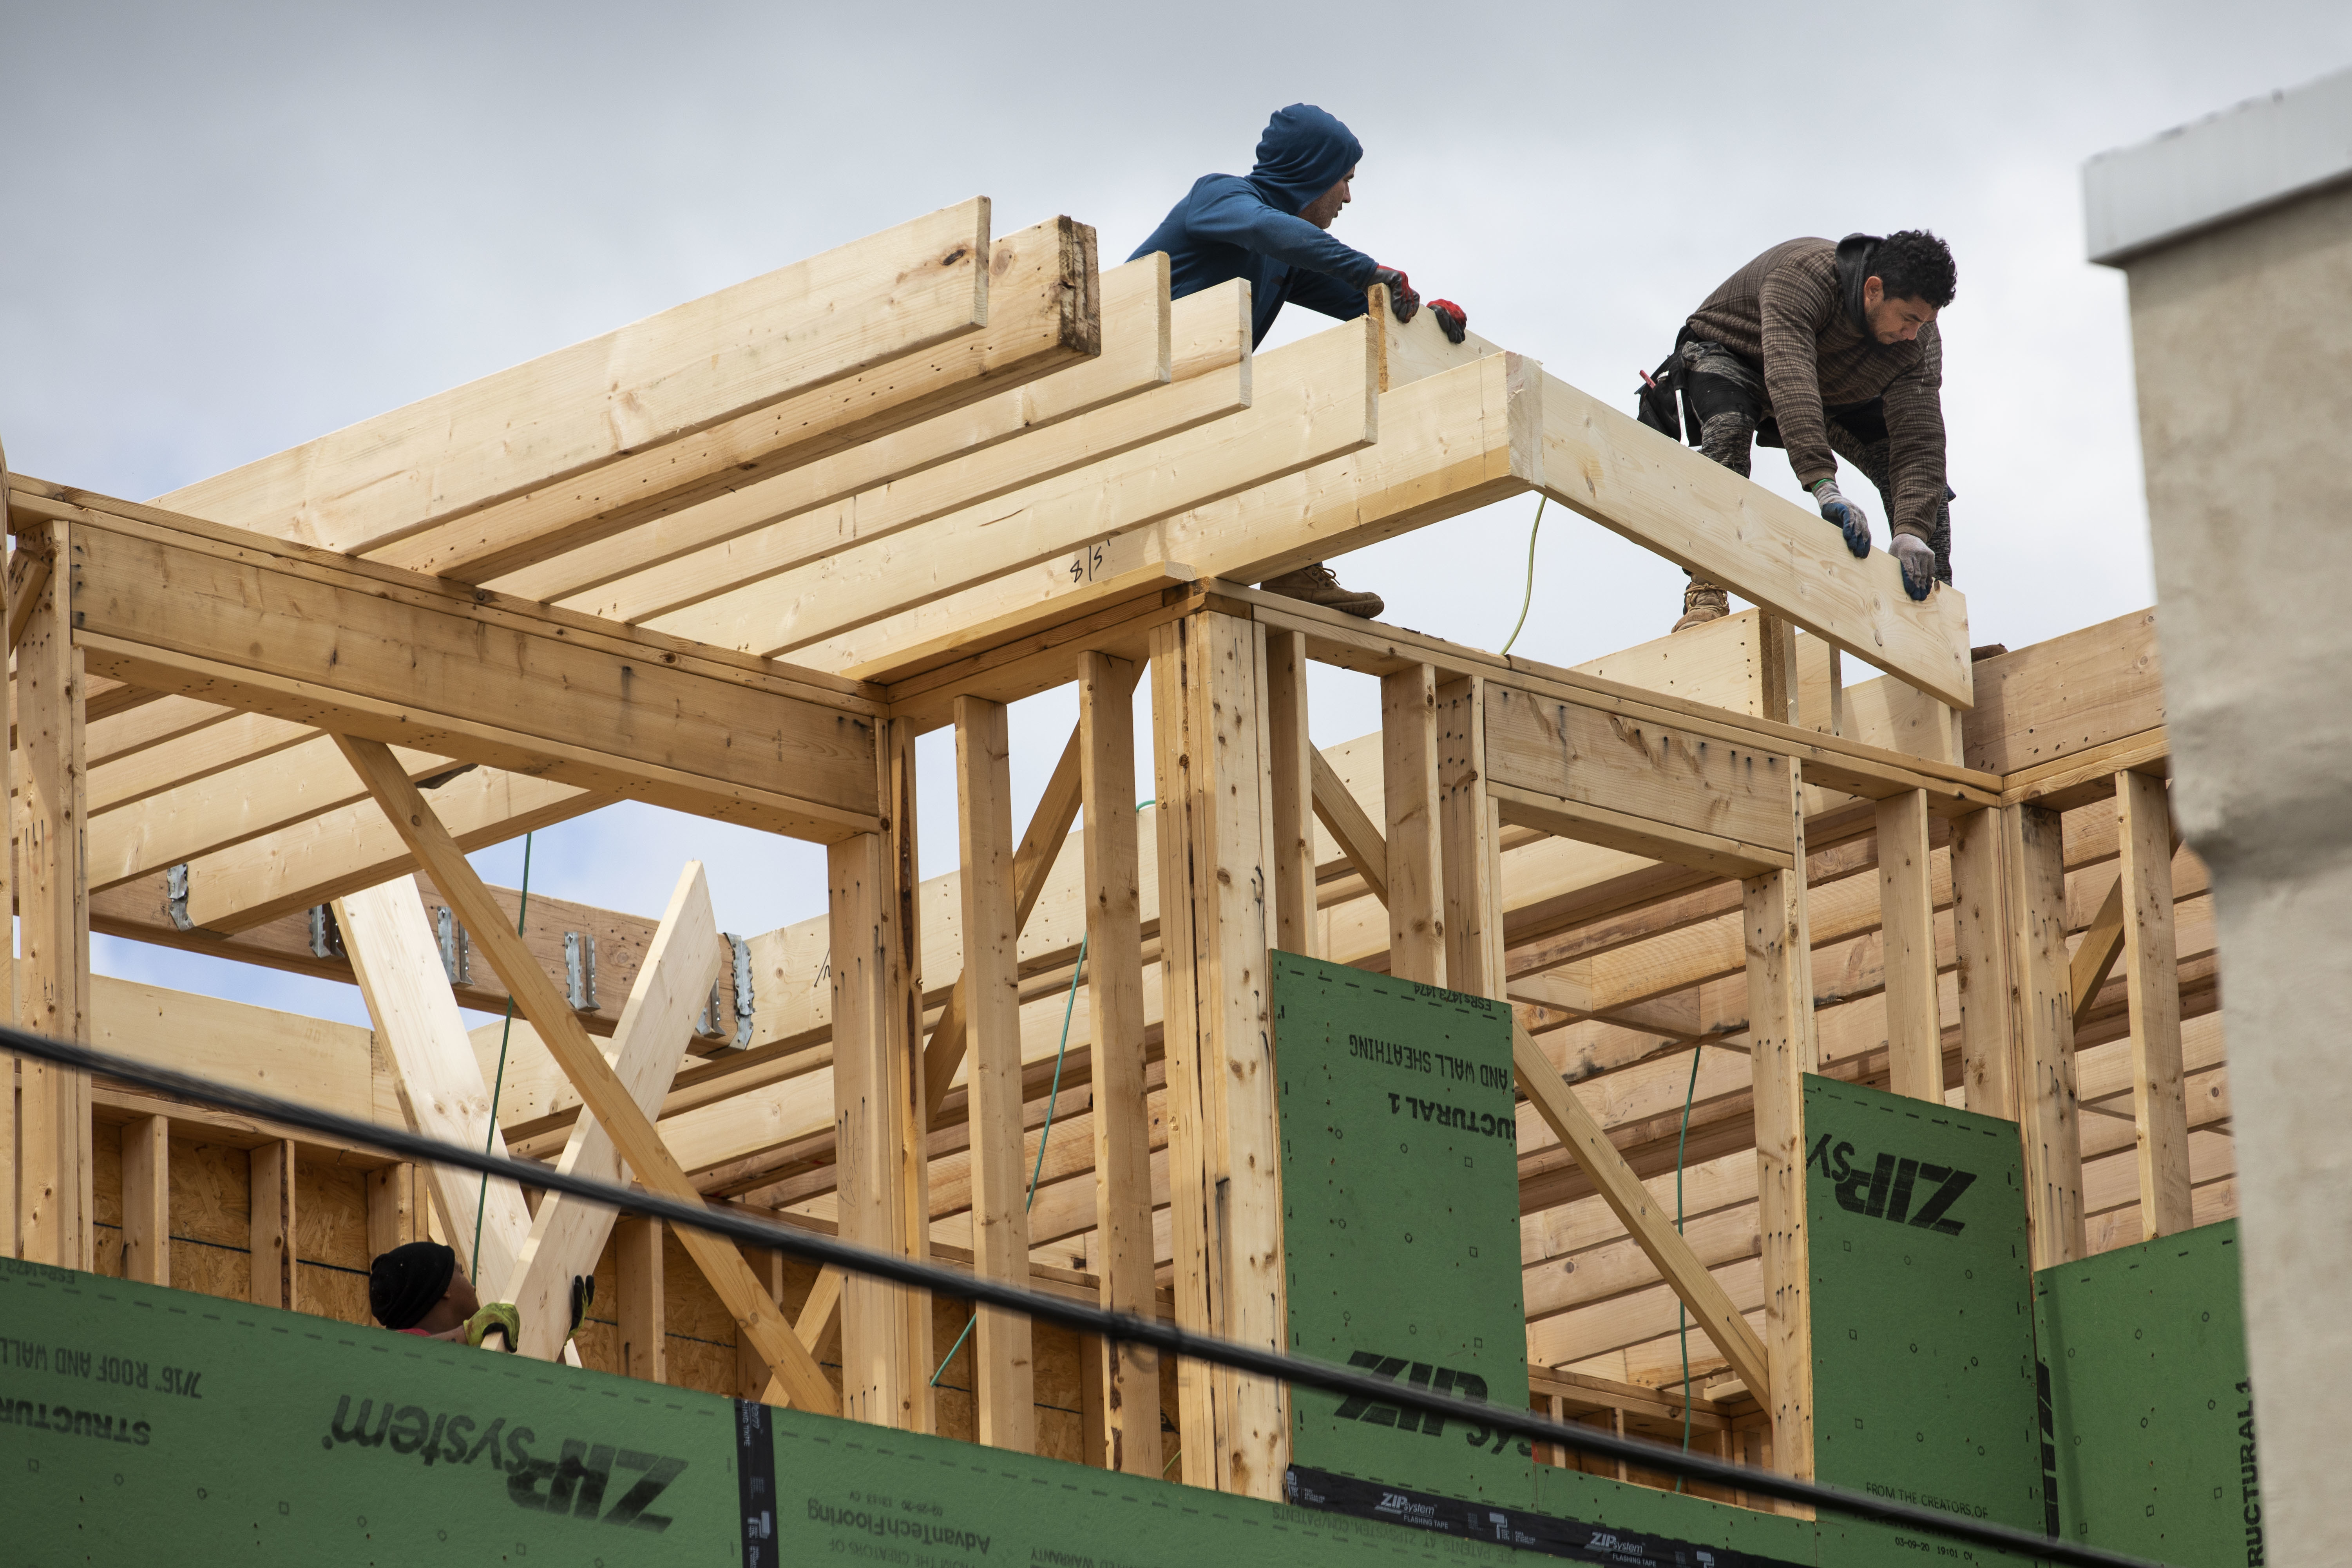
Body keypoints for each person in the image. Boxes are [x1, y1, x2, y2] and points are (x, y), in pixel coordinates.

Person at [1132, 103, 1467, 620]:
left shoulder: (1281, 254)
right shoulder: (1220, 197)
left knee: (1297, 397)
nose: (1348, 197)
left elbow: (1364, 305)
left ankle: (1290, 566)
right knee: (1294, 399)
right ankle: (1292, 567)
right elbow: (1270, 231)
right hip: (1123, 391)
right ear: (1311, 173)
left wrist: (1422, 318)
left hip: (1184, 405)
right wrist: (1366, 270)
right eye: (1344, 181)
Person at [1636, 231, 1958, 633]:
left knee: (1926, 492)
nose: (1914, 334)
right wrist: (1825, 487)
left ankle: (1940, 634)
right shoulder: (1803, 278)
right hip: (1735, 356)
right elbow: (1791, 380)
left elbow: (1920, 443)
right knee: (1729, 431)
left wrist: (1911, 532)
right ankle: (1707, 591)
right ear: (1874, 290)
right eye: (1909, 319)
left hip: (1833, 388)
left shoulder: (1919, 340)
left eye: (1926, 322)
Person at [368, 1240, 521, 1350]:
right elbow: (408, 1357)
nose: (473, 1287)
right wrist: (466, 1334)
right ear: (445, 1288)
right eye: (461, 1273)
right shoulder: (390, 1356)